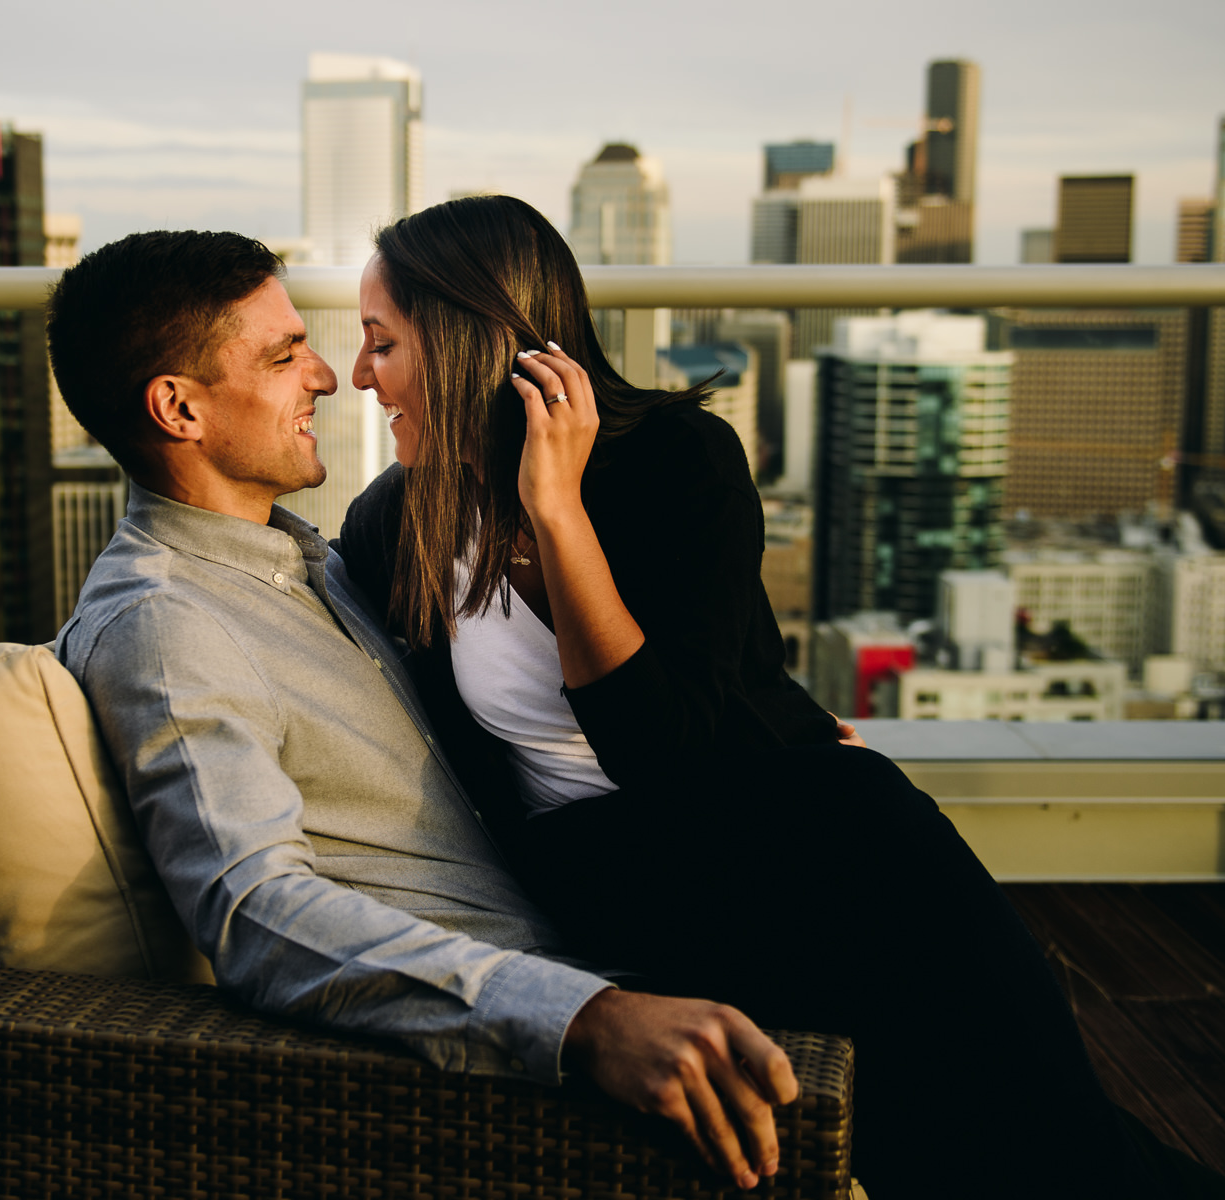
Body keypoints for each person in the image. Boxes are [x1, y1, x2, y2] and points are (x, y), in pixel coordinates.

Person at [337, 195, 1225, 1199]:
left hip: (748, 821)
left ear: (472, 339)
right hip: (592, 871)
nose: (360, 375)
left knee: (980, 1067)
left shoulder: (678, 464)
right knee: (899, 909)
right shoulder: (396, 525)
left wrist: (556, 512)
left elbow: (670, 747)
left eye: (382, 344)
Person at [45, 229, 802, 1193]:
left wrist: (788, 724)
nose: (330, 375)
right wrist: (583, 1019)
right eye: (285, 355)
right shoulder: (165, 622)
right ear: (179, 407)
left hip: (638, 920)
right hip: (539, 1045)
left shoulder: (318, 563)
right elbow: (250, 907)